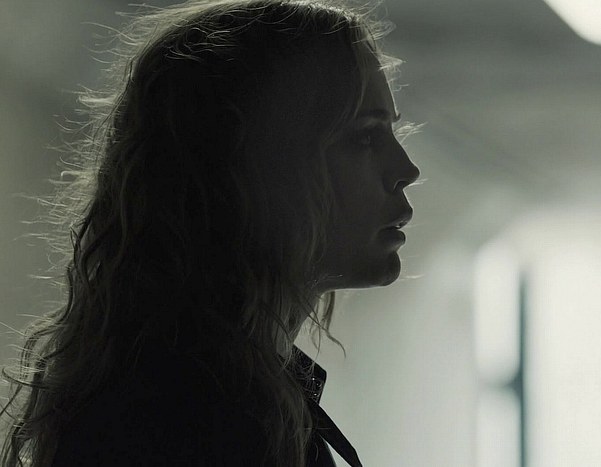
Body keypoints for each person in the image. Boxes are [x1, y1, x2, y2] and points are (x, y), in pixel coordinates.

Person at [0, 0, 421, 465]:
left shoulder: (200, 387)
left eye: (391, 132)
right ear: (261, 168)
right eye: (364, 137)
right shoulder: (193, 416)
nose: (406, 169)